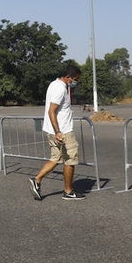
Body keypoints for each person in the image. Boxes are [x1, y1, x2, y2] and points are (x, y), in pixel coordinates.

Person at [29, 64, 85, 201]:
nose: (75, 82)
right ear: (68, 77)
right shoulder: (60, 89)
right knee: (70, 160)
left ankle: (37, 180)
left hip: (52, 130)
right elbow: (51, 111)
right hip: (63, 131)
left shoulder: (54, 84)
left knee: (56, 158)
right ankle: (68, 191)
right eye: (75, 79)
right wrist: (58, 132)